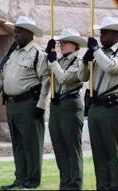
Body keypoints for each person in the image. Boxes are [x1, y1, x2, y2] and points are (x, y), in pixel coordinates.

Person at [0, 16, 50, 190]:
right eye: (15, 31)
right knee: (18, 144)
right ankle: (20, 179)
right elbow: (3, 77)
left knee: (31, 144)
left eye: (18, 31)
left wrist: (40, 105)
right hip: (12, 104)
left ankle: (32, 181)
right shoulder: (13, 54)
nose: (15, 34)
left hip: (29, 104)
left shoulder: (38, 54)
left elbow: (46, 80)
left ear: (28, 33)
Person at [78, 16, 118, 191]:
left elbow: (111, 67)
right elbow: (82, 77)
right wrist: (85, 61)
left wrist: (95, 51)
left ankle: (116, 186)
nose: (102, 37)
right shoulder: (97, 54)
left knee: (113, 151)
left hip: (113, 107)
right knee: (98, 152)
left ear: (117, 34)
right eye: (101, 33)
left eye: (106, 33)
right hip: (96, 107)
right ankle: (102, 186)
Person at [45, 28, 87, 190]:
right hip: (56, 105)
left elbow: (64, 78)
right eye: (60, 42)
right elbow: (47, 72)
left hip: (70, 105)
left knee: (72, 147)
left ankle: (74, 184)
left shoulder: (79, 61)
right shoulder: (59, 60)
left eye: (65, 42)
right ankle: (65, 182)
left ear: (75, 45)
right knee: (59, 146)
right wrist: (48, 53)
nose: (61, 45)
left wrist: (53, 61)